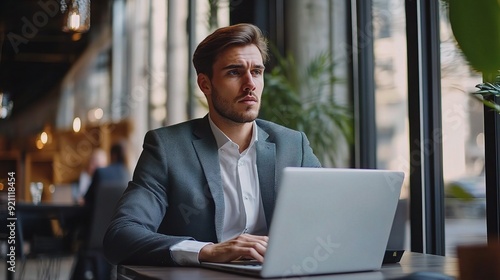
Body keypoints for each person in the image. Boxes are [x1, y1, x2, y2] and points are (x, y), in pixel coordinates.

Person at [103, 23, 321, 267]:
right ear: (205, 84)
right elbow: (121, 235)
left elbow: (330, 219)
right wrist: (208, 251)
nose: (250, 84)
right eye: (234, 72)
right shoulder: (167, 148)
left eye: (257, 72)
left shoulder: (293, 145)